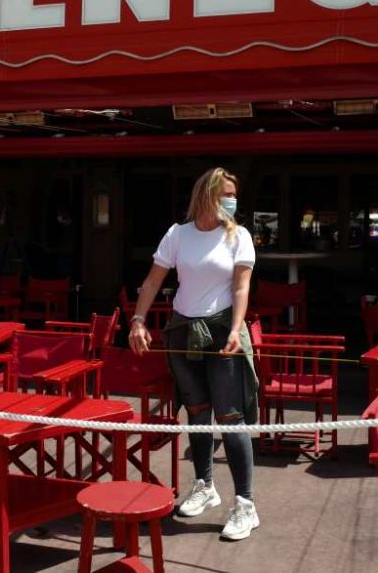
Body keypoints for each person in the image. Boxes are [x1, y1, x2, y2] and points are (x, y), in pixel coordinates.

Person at [129, 167, 259, 541]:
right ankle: (205, 484)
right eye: (225, 195)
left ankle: (245, 504)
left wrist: (236, 329)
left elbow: (240, 288)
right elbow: (154, 279)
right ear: (207, 195)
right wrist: (138, 319)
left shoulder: (240, 236)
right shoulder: (178, 234)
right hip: (183, 330)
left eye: (233, 195)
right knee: (198, 412)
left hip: (221, 330)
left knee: (231, 418)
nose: (231, 202)